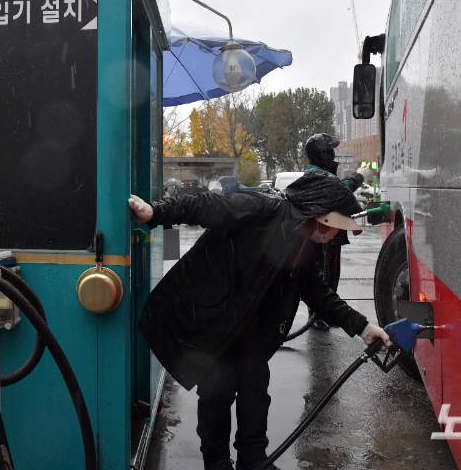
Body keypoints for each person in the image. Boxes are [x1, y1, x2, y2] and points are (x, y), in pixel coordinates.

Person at [129, 171, 391, 470]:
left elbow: (317, 292)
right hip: (214, 317)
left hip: (252, 327)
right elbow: (206, 205)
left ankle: (253, 458)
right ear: (321, 214)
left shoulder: (307, 243)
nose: (334, 236)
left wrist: (362, 326)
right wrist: (157, 212)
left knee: (255, 391)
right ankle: (215, 461)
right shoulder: (261, 208)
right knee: (217, 391)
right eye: (335, 228)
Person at [303, 133, 365, 331]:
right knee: (322, 275)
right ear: (323, 154)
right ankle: (316, 314)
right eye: (331, 152)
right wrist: (360, 176)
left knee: (331, 275)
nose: (334, 156)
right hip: (321, 237)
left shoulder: (321, 175)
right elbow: (342, 189)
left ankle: (325, 313)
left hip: (330, 236)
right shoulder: (317, 176)